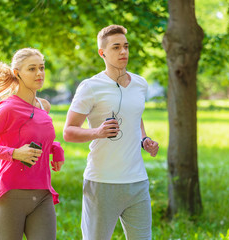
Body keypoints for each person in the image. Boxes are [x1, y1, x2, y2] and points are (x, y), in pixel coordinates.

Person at [63, 25, 159, 240]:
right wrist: (97, 132)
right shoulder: (90, 87)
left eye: (126, 46)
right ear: (102, 53)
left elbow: (136, 115)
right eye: (116, 47)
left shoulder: (140, 84)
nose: (123, 52)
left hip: (137, 182)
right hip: (102, 182)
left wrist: (145, 139)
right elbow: (68, 132)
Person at [0, 48, 64, 240]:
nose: (39, 73)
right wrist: (14, 153)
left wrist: (56, 148)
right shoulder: (8, 108)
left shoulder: (43, 106)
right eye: (32, 69)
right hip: (10, 195)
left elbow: (42, 138)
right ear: (17, 73)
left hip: (42, 195)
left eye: (41, 68)